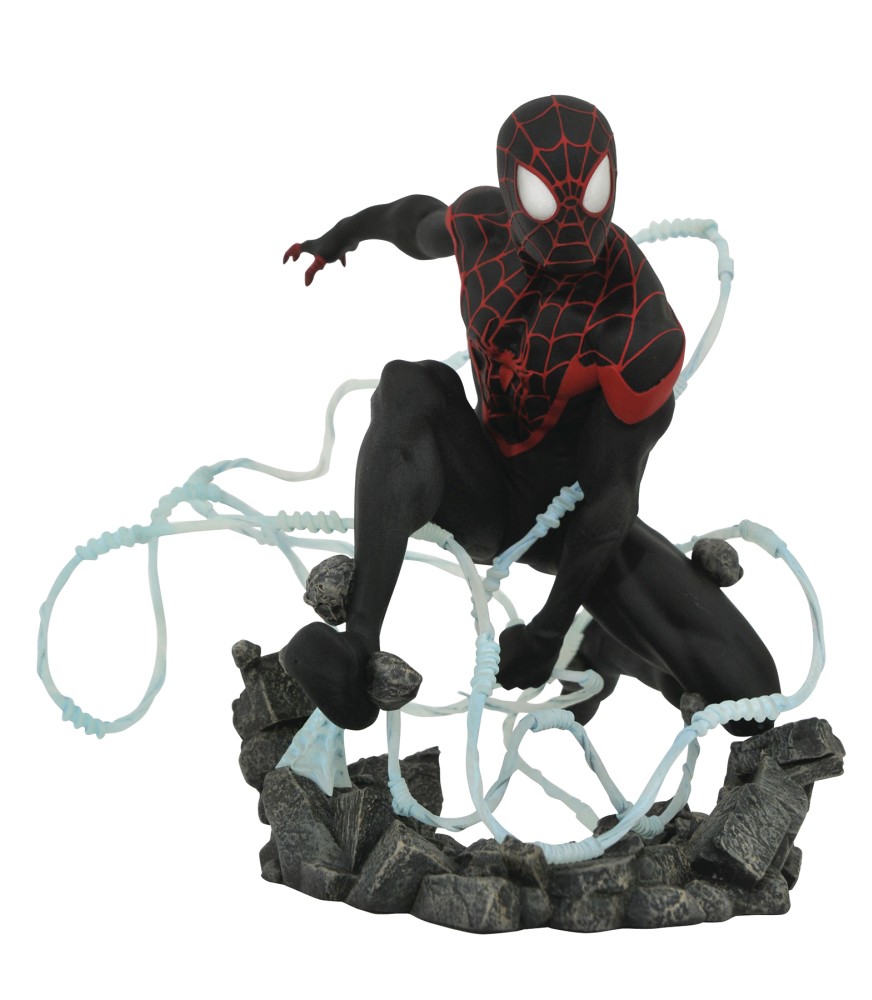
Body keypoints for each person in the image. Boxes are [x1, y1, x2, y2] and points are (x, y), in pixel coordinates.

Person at [281, 95, 779, 737]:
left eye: (591, 194)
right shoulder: (480, 226)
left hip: (571, 523)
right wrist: (346, 233)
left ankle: (605, 652)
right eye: (546, 200)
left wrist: (549, 630)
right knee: (408, 385)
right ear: (511, 192)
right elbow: (413, 222)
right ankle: (359, 643)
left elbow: (609, 497)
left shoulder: (639, 327)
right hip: (477, 483)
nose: (571, 224)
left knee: (748, 697)